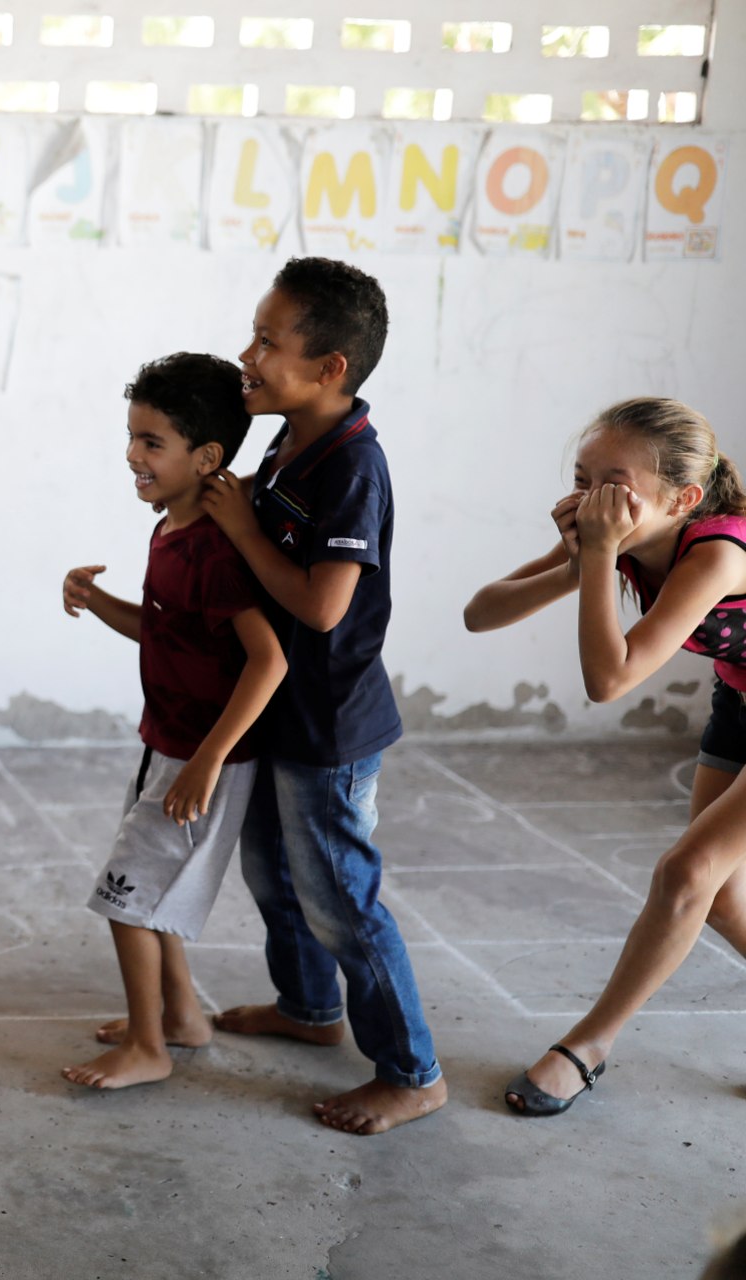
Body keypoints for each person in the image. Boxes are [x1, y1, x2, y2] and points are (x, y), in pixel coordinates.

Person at [199, 257, 447, 1135]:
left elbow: (321, 602)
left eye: (269, 341)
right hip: (282, 710)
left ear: (330, 368)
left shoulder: (352, 466)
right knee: (272, 870)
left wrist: (233, 527)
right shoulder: (289, 434)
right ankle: (309, 1009)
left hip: (332, 726)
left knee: (341, 898)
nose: (249, 354)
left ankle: (413, 1071)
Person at [464, 397, 746, 1116]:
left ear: (682, 498)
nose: (590, 499)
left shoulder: (714, 553)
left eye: (611, 482)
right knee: (719, 903)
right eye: (583, 478)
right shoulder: (620, 539)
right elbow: (482, 611)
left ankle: (588, 1045)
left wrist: (593, 558)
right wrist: (578, 562)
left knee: (687, 872)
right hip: (739, 701)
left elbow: (609, 680)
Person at [57, 354, 285, 1091]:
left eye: (152, 442)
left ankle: (148, 1048)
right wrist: (98, 604)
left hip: (201, 758)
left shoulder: (215, 552)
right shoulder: (171, 530)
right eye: (132, 437)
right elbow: (166, 631)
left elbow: (268, 661)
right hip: (169, 743)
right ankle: (181, 1015)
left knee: (125, 898)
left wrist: (209, 762)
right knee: (148, 892)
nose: (133, 454)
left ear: (206, 457)